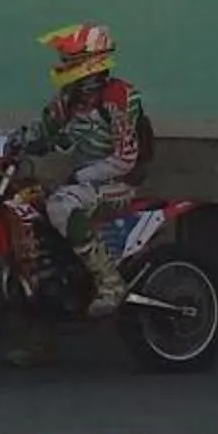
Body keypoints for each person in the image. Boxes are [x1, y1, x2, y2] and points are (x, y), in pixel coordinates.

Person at [12, 22, 150, 315]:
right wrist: (1, 139)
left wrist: (83, 175)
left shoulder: (119, 97)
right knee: (29, 207)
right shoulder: (68, 99)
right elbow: (42, 132)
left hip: (118, 181)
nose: (64, 66)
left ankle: (110, 281)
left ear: (91, 62)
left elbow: (127, 156)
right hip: (83, 183)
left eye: (70, 60)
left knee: (61, 205)